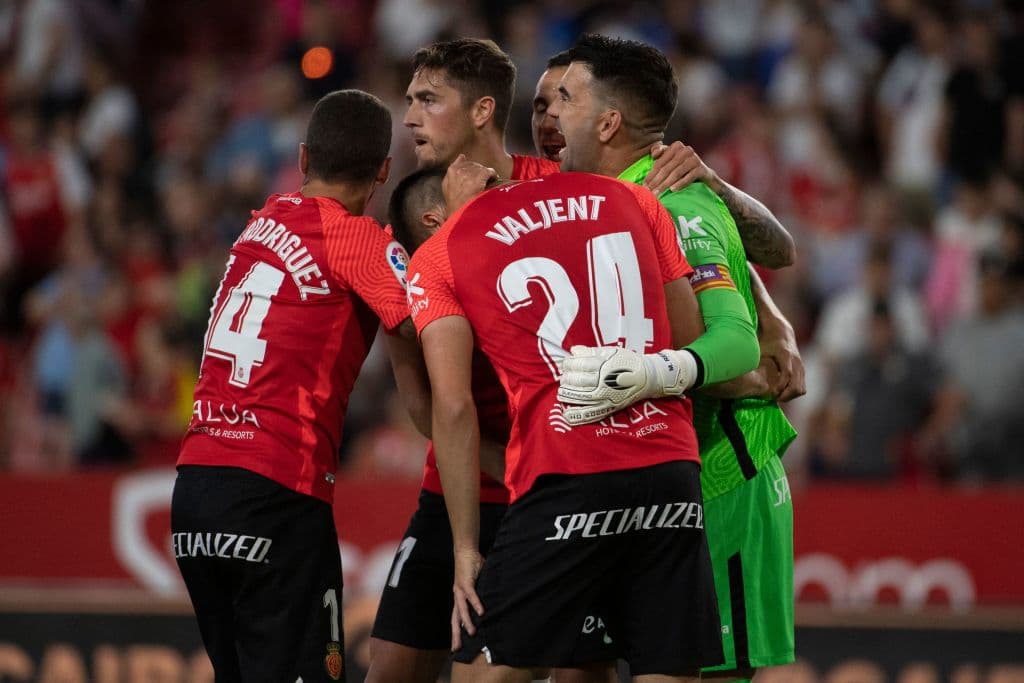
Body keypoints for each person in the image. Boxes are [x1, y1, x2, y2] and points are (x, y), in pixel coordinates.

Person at [408, 165, 746, 681]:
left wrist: (465, 549)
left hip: (564, 471)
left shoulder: (442, 250)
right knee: (667, 669)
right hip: (670, 467)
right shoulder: (632, 198)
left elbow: (452, 408)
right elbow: (688, 334)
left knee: (481, 671)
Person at [553, 35, 800, 682]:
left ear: (608, 123)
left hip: (721, 476)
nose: (552, 113)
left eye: (565, 98)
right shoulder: (599, 199)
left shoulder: (676, 202)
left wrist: (657, 372)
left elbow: (734, 338)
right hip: (650, 479)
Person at [170, 90, 420, 683]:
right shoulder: (357, 239)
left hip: (195, 491)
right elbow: (427, 325)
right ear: (384, 171)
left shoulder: (259, 224)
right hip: (276, 493)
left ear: (304, 158)